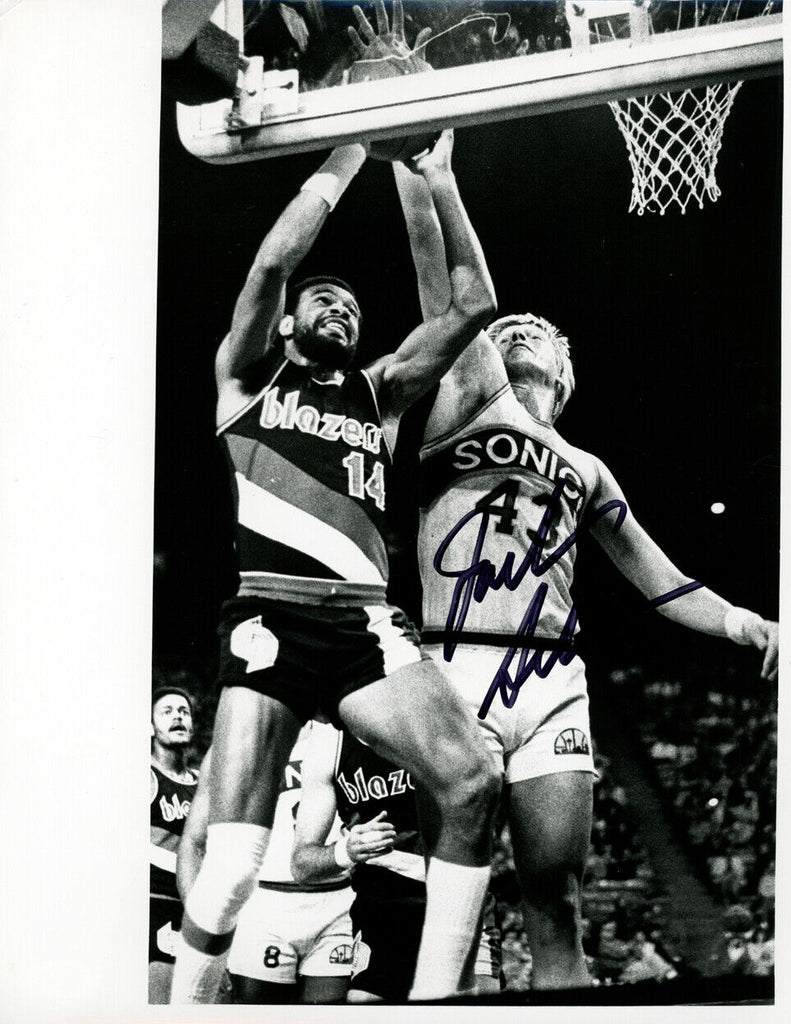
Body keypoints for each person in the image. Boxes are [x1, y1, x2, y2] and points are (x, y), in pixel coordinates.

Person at [392, 159, 779, 990]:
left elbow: (660, 581)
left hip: (552, 680)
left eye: (535, 333)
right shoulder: (468, 396)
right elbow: (439, 281)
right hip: (453, 665)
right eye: (507, 328)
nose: (518, 329)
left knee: (555, 898)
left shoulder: (588, 467)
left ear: (563, 382)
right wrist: (421, 175)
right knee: (453, 900)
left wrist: (743, 622)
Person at [168, 98, 502, 1001]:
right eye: (325, 300)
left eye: (352, 307)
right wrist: (354, 138)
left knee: (473, 780)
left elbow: (475, 304)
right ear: (285, 323)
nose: (341, 310)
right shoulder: (246, 378)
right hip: (270, 613)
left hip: (364, 624)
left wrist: (436, 178)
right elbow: (275, 263)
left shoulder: (378, 393)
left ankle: (435, 1002)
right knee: (233, 859)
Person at [291, 722, 502, 1002]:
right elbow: (302, 864)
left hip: (459, 898)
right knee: (365, 1004)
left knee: (474, 1011)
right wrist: (346, 850)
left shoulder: (442, 714)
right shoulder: (329, 742)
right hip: (382, 909)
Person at [178, 723, 354, 1003]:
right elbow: (192, 844)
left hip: (337, 902)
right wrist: (206, 944)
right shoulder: (233, 742)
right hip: (263, 906)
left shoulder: (343, 735)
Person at [149, 687, 199, 1003]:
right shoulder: (145, 776)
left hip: (197, 909)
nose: (177, 716)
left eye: (183, 711)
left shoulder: (202, 784)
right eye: (166, 712)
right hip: (157, 903)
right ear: (150, 726)